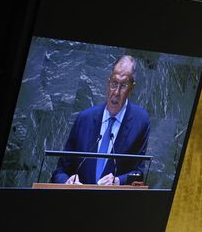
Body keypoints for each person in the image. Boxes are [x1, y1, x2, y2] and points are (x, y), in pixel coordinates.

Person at [51, 55, 150, 186]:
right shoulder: (84, 119)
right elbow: (60, 171)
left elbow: (139, 173)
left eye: (124, 85)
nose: (116, 92)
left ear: (132, 88)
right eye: (114, 83)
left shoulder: (140, 122)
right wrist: (67, 181)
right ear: (108, 83)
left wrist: (118, 181)